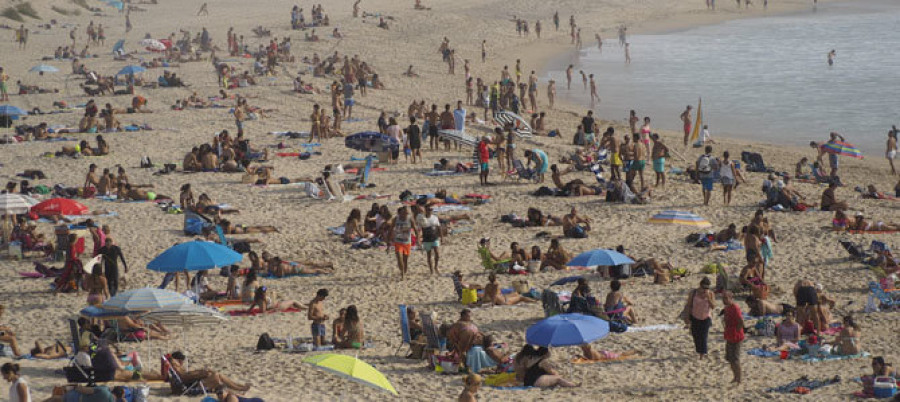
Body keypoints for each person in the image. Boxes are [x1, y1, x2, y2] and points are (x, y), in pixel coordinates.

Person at [169, 351, 250, 392]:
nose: (182, 362)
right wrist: (201, 373)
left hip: (194, 384)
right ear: (177, 360)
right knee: (216, 376)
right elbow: (186, 377)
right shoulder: (177, 369)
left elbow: (188, 376)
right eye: (180, 360)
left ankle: (239, 386)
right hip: (195, 386)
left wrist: (200, 372)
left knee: (217, 376)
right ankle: (239, 388)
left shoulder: (178, 369)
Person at [684, 277, 715, 359]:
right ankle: (699, 351)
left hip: (706, 317)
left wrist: (708, 298)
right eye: (703, 288)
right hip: (695, 316)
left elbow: (713, 306)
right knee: (696, 335)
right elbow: (689, 305)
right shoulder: (693, 293)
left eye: (707, 288)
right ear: (700, 286)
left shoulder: (710, 293)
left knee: (703, 336)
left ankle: (702, 354)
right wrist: (687, 317)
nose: (705, 290)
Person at [388, 206, 417, 279]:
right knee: (399, 257)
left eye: (407, 213)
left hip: (407, 242)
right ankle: (402, 274)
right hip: (398, 241)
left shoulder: (410, 219)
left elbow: (415, 229)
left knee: (405, 259)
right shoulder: (396, 219)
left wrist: (418, 240)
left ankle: (404, 271)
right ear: (402, 211)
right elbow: (390, 229)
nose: (406, 214)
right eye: (405, 212)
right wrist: (389, 241)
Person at [721, 291, 744, 384]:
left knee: (735, 359)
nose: (724, 300)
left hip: (736, 336)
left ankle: (739, 378)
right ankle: (735, 377)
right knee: (730, 358)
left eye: (726, 298)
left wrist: (737, 331)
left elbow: (741, 321)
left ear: (731, 298)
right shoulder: (727, 308)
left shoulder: (735, 308)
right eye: (723, 298)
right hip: (729, 335)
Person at [417, 205, 442, 275]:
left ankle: (436, 267)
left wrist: (442, 237)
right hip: (426, 239)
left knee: (437, 253)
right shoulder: (422, 218)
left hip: (435, 238)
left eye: (431, 209)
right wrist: (418, 239)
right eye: (428, 209)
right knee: (429, 255)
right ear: (426, 210)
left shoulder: (435, 218)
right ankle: (431, 270)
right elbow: (419, 230)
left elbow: (439, 227)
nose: (430, 211)